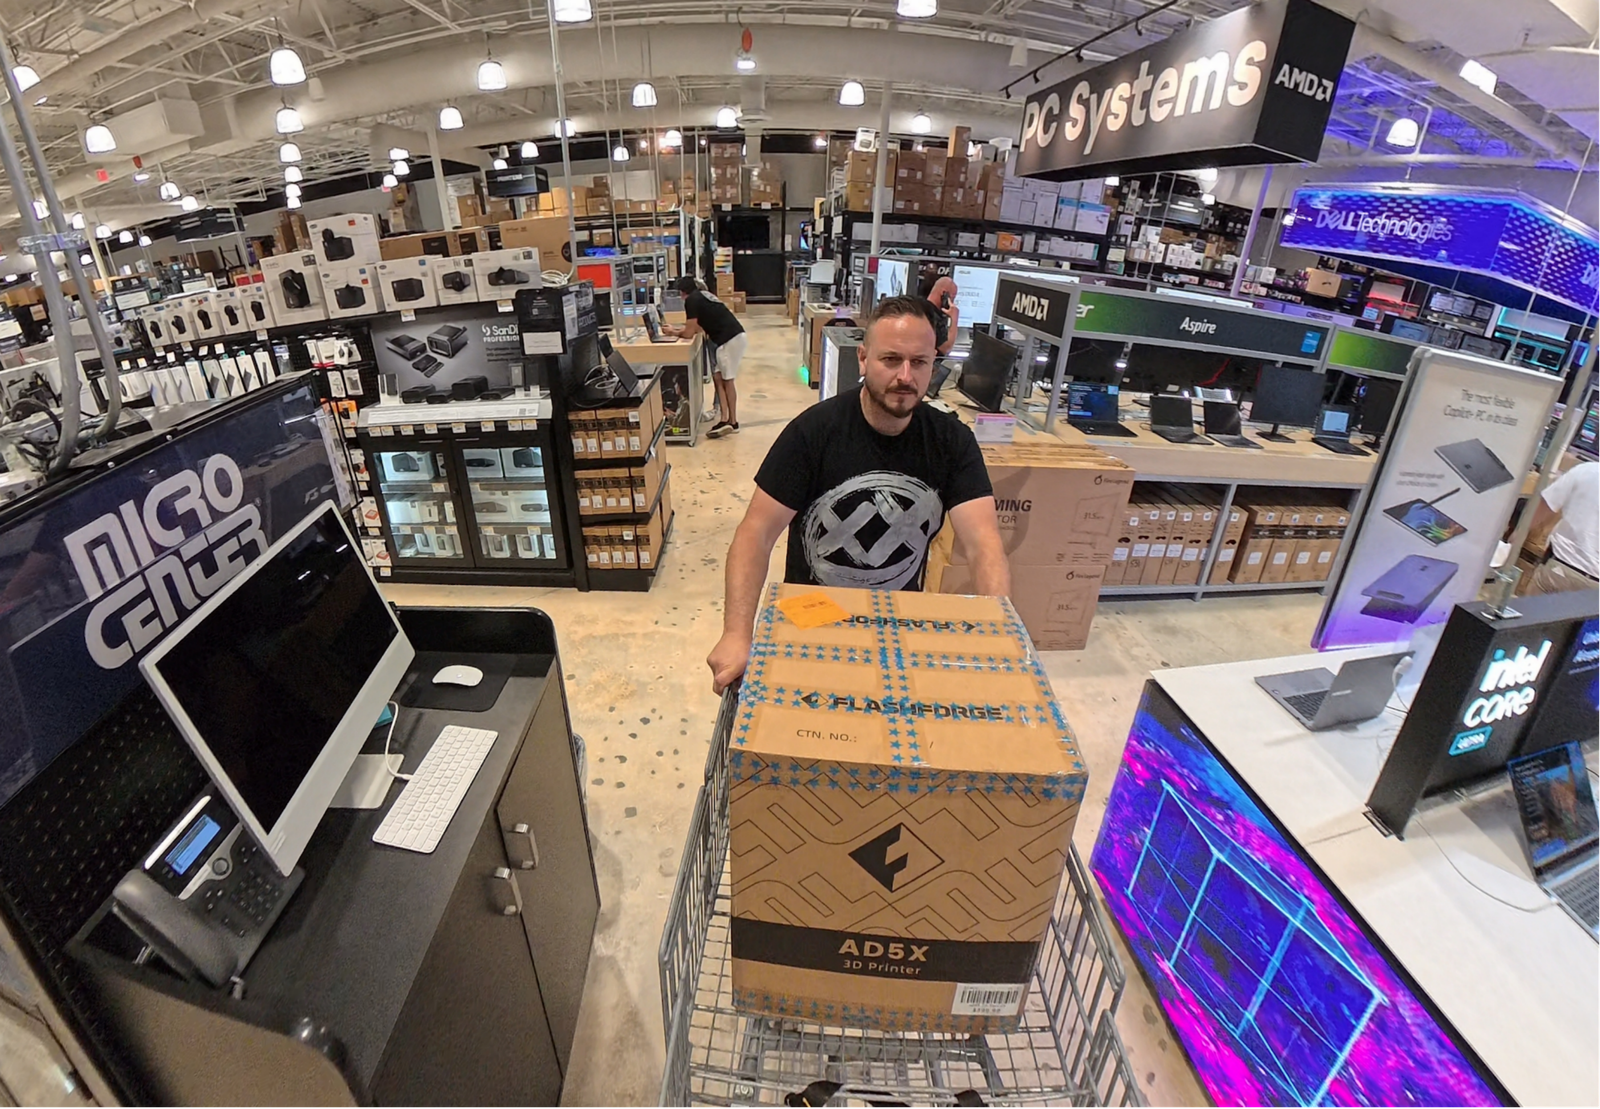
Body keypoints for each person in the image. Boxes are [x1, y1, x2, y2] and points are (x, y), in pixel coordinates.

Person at [706, 295, 1009, 693]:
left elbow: (984, 544)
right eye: (891, 360)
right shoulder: (812, 433)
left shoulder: (952, 441)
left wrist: (1000, 636)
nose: (905, 376)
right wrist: (736, 633)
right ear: (863, 359)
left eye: (919, 362)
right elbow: (755, 534)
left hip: (895, 623)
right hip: (811, 619)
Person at [663, 276, 746, 438]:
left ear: (682, 292)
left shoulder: (691, 301)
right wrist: (678, 329)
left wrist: (673, 332)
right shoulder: (702, 296)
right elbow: (696, 327)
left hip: (729, 340)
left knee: (727, 381)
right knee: (718, 377)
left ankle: (733, 421)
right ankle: (724, 419)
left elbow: (689, 333)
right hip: (731, 338)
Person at [1527, 459, 1600, 594]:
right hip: (1595, 587)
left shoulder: (1587, 470)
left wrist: (1517, 536)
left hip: (1560, 568)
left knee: (1532, 606)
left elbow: (1547, 505)